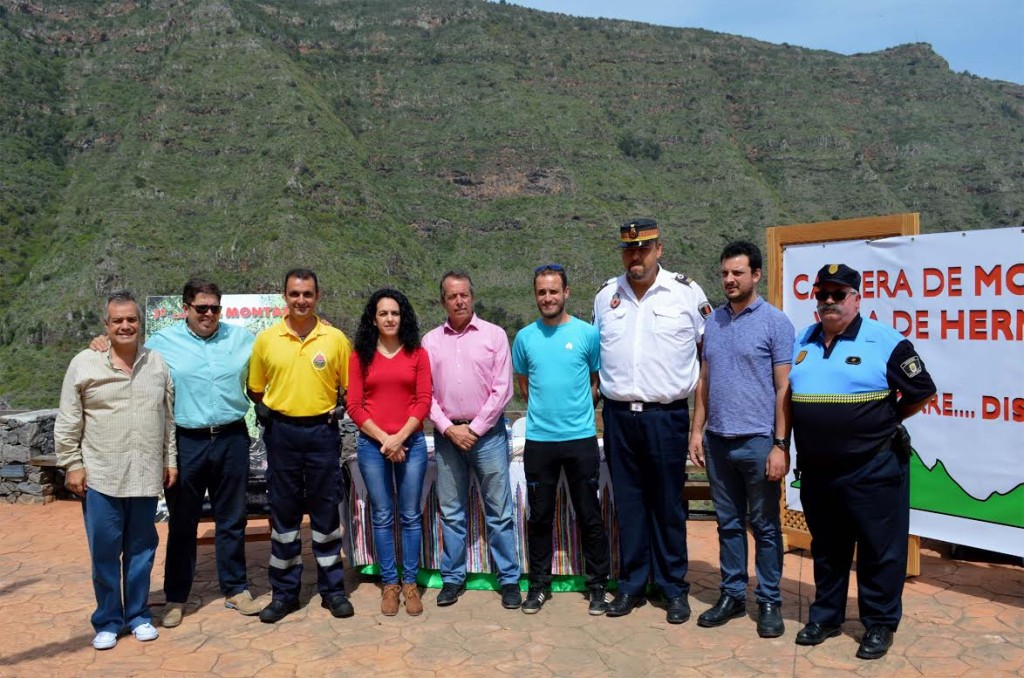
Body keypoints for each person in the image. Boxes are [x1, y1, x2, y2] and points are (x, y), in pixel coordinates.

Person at [92, 279, 262, 626]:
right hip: (187, 441)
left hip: (231, 437)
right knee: (183, 523)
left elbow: (276, 357)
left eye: (215, 307)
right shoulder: (161, 344)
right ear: (186, 308)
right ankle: (176, 597)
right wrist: (100, 342)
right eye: (202, 308)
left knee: (232, 520)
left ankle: (236, 588)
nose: (209, 314)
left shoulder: (241, 339)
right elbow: (126, 352)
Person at [789, 263, 936, 660]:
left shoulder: (886, 342)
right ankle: (826, 616)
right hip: (819, 471)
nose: (830, 302)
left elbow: (922, 390)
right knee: (828, 549)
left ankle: (879, 624)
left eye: (839, 295)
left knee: (879, 550)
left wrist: (885, 421)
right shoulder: (803, 340)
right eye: (823, 295)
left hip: (874, 467)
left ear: (857, 298)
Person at [592, 218, 711, 623]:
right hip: (620, 416)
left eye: (643, 248)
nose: (635, 256)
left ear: (659, 248)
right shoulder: (607, 295)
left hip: (667, 416)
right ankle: (632, 584)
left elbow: (708, 357)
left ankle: (673, 587)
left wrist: (698, 425)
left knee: (668, 505)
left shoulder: (686, 293)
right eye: (628, 249)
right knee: (629, 505)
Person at [54, 291, 177, 650]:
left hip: (144, 475)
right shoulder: (84, 363)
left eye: (132, 319)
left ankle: (138, 615)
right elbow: (68, 419)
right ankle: (108, 619)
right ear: (106, 326)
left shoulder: (157, 363)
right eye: (117, 320)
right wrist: (72, 464)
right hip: (101, 477)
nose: (126, 325)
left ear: (141, 323)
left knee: (142, 550)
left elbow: (168, 419)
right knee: (106, 552)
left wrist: (170, 461)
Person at [688, 241, 795, 638]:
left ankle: (769, 600)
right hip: (718, 441)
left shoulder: (775, 323)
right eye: (725, 273)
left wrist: (779, 445)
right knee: (728, 524)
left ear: (756, 275)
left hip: (758, 442)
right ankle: (733, 595)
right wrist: (696, 431)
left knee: (765, 526)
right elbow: (705, 381)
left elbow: (784, 388)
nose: (730, 280)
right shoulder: (713, 323)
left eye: (738, 273)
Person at [247, 268, 354, 623]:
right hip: (282, 434)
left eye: (307, 294)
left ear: (317, 296)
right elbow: (256, 389)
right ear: (285, 297)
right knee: (285, 516)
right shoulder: (267, 340)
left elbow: (348, 388)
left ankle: (333, 591)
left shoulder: (335, 339)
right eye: (295, 294)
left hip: (322, 434)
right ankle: (284, 594)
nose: (301, 300)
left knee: (325, 514)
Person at [512, 264, 610, 615]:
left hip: (581, 439)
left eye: (554, 291)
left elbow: (596, 382)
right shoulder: (524, 338)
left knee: (589, 515)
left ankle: (597, 586)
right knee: (539, 516)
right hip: (540, 442)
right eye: (542, 292)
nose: (548, 297)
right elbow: (525, 386)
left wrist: (578, 411)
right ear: (535, 295)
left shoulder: (587, 334)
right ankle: (538, 586)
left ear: (566, 292)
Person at [422, 271, 521, 610]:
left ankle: (509, 579)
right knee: (451, 512)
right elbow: (426, 394)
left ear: (473, 297)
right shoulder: (430, 341)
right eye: (452, 296)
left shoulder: (494, 336)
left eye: (464, 294)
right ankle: (452, 579)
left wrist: (475, 428)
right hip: (448, 438)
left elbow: (502, 389)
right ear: (443, 301)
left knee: (499, 512)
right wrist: (450, 428)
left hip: (488, 436)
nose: (459, 301)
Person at [347, 288, 432, 616]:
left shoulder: (417, 354)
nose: (390, 318)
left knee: (410, 515)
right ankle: (390, 584)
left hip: (412, 443)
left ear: (403, 316)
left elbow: (424, 399)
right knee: (382, 515)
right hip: (372, 445)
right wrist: (386, 439)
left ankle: (410, 583)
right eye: (383, 313)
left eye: (395, 313)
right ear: (374, 318)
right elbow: (354, 405)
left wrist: (400, 438)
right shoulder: (361, 356)